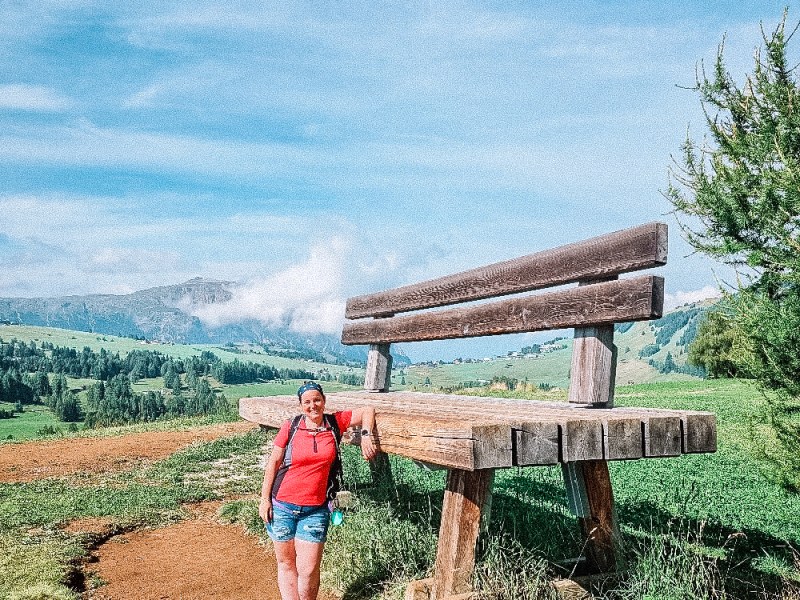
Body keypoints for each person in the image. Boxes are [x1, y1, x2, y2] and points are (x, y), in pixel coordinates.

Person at [259, 381, 377, 600]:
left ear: (324, 401)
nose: (313, 406)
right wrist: (265, 499)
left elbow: (367, 411)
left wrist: (366, 435)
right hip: (282, 505)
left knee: (309, 569)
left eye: (317, 400)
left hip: (316, 509)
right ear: (301, 405)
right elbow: (274, 462)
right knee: (286, 564)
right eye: (307, 402)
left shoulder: (335, 422)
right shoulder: (291, 426)